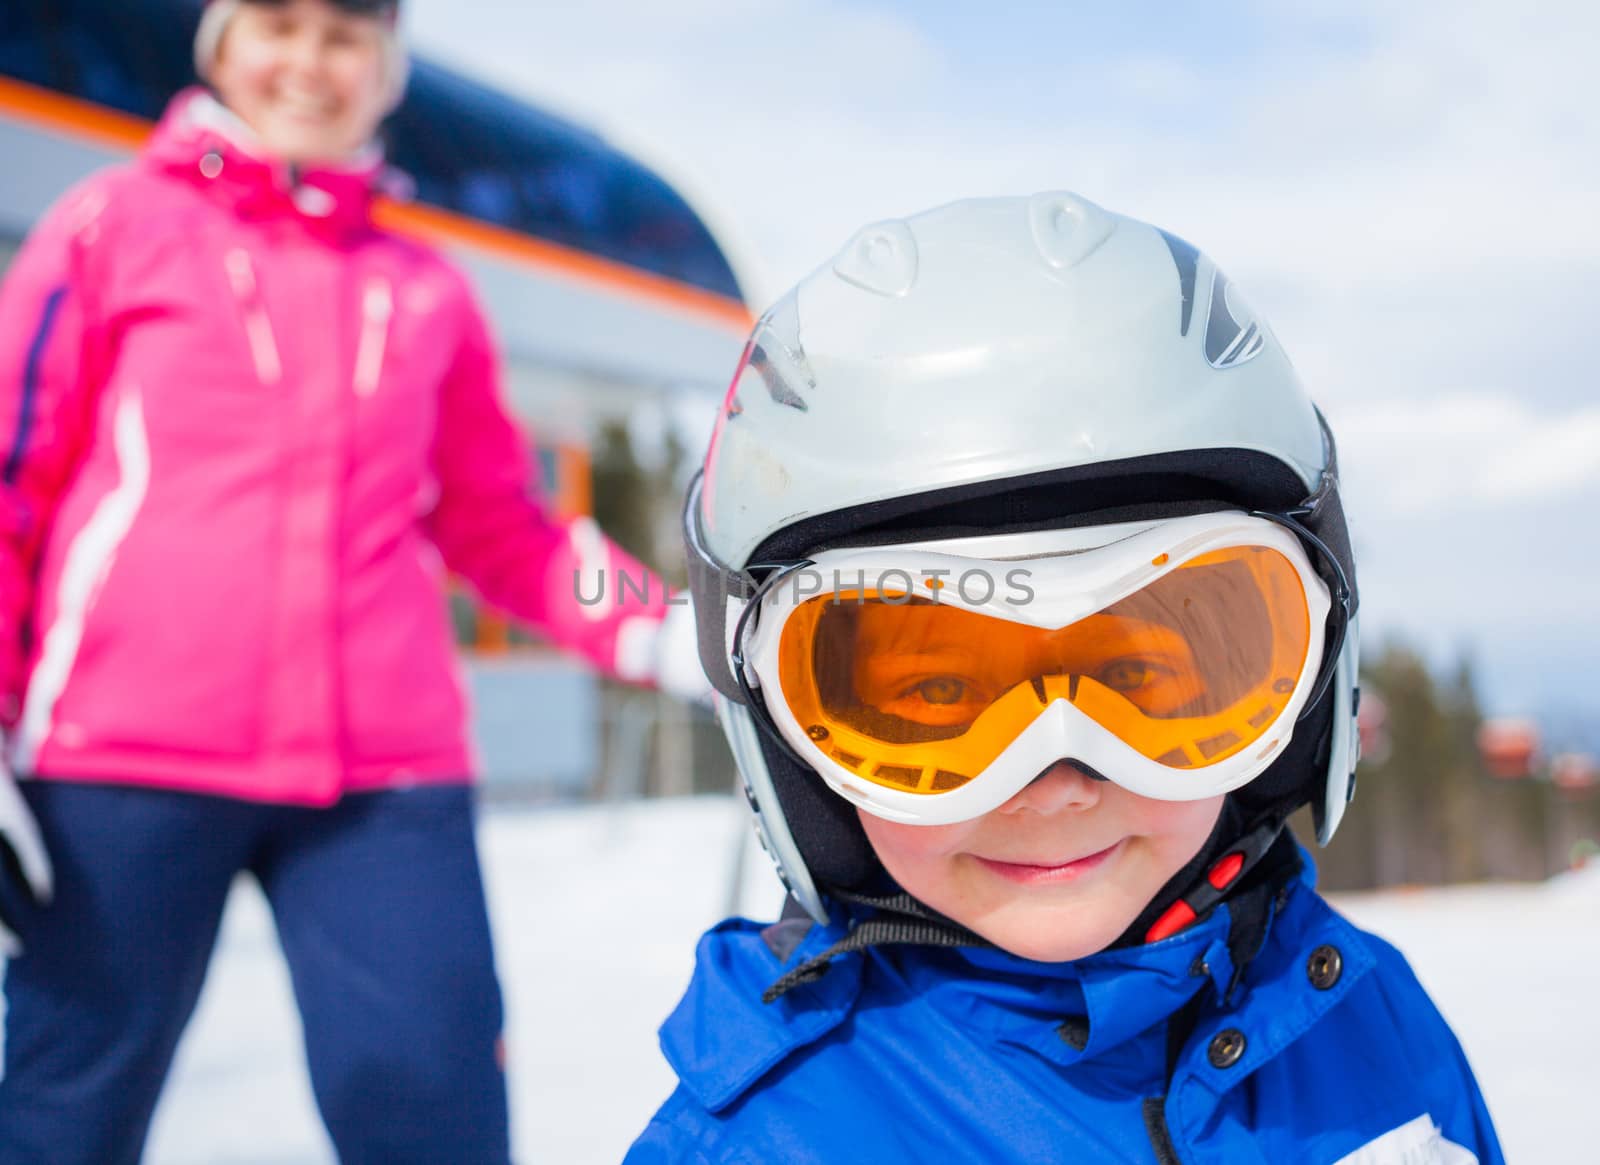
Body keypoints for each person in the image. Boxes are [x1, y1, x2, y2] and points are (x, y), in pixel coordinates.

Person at [628, 193, 1505, 1162]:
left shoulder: (1363, 1024)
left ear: (1301, 678)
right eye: (934, 699)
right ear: (785, 733)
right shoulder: (761, 1144)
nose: (1053, 782)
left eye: (1135, 674)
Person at [0, 1, 701, 1161]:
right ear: (222, 46)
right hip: (120, 759)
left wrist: (653, 633)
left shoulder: (425, 290)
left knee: (433, 1102)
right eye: (277, 25)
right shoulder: (109, 228)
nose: (309, 64)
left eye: (345, 37)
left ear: (387, 72)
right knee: (65, 1110)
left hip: (384, 775)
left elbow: (502, 526)